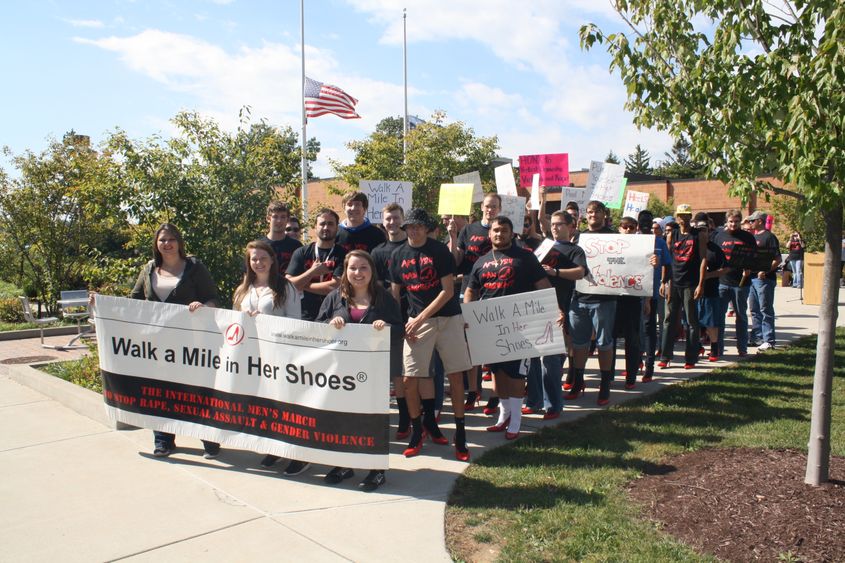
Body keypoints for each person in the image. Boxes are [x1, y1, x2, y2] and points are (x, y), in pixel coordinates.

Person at [129, 223, 220, 458]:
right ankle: (163, 441)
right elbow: (134, 301)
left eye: (171, 239)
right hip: (157, 345)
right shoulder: (149, 269)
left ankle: (209, 441)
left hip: (191, 341)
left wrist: (203, 307)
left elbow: (212, 298)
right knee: (160, 392)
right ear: (156, 244)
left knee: (196, 390)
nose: (166, 244)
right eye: (162, 240)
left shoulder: (194, 267)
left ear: (179, 242)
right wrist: (101, 304)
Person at [316, 250, 404, 491]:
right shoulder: (335, 298)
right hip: (341, 373)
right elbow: (317, 327)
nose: (358, 273)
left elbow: (400, 330)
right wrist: (330, 325)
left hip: (372, 371)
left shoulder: (383, 298)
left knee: (371, 420)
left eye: (363, 267)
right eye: (353, 268)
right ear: (345, 271)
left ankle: (376, 470)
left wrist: (385, 327)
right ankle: (344, 464)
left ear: (371, 271)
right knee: (342, 419)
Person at [390, 208, 473, 461]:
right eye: (409, 227)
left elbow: (447, 291)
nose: (413, 231)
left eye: (417, 226)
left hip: (448, 319)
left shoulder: (439, 251)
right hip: (417, 323)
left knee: (456, 377)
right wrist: (403, 324)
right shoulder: (397, 255)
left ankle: (460, 434)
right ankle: (418, 431)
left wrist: (419, 318)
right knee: (408, 379)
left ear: (427, 228)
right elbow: (396, 294)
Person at [464, 216, 553, 438]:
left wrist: (554, 311)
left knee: (515, 375)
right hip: (490, 327)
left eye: (504, 230)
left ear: (511, 233)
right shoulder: (481, 261)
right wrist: (469, 313)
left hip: (520, 328)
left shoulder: (526, 257)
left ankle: (516, 421)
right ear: (489, 233)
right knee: (498, 373)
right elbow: (471, 290)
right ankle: (503, 416)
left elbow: (543, 286)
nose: (499, 234)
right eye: (495, 230)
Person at [232, 240, 301, 471]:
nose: (258, 263)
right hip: (252, 357)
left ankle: (298, 454)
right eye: (254, 259)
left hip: (279, 355)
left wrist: (266, 321)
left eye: (263, 258)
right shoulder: (243, 289)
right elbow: (234, 322)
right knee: (264, 404)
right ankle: (274, 448)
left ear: (272, 260)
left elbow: (295, 322)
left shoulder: (285, 287)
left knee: (286, 405)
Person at [529, 210, 586, 419]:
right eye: (552, 224)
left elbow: (581, 272)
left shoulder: (575, 250)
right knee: (533, 359)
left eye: (559, 224)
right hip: (535, 306)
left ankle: (553, 404)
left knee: (550, 361)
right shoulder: (544, 246)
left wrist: (556, 272)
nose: (554, 227)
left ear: (571, 227)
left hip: (557, 308)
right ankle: (534, 401)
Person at [566, 200, 619, 406]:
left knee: (604, 343)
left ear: (604, 214)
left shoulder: (614, 236)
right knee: (579, 343)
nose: (592, 215)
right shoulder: (577, 237)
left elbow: (628, 262)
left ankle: (605, 384)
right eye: (589, 212)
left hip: (604, 299)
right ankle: (578, 381)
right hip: (578, 298)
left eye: (596, 211)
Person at [370, 203, 411, 438]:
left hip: (412, 313)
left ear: (402, 219)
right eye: (388, 219)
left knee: (407, 372)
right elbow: (374, 284)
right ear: (383, 221)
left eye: (396, 218)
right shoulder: (378, 252)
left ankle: (409, 415)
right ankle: (389, 417)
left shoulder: (411, 246)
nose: (392, 222)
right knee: (391, 370)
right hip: (385, 317)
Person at [659, 204, 708, 369]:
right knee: (669, 320)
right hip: (673, 282)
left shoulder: (699, 235)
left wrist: (700, 284)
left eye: (687, 215)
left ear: (690, 217)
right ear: (677, 217)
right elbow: (666, 260)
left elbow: (703, 259)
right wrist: (663, 281)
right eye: (681, 215)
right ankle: (665, 356)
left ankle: (691, 357)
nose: (684, 218)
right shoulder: (672, 235)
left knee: (692, 322)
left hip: (690, 283)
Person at [286, 208, 347, 322]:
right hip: (304, 313)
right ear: (315, 227)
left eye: (330, 224)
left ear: (337, 227)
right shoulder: (301, 252)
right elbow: (289, 285)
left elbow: (335, 287)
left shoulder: (343, 254)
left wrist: (302, 285)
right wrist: (312, 272)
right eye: (322, 224)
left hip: (334, 315)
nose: (326, 227)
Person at [712, 209, 757, 356]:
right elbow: (713, 256)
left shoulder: (748, 237)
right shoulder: (718, 236)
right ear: (727, 221)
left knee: (741, 316)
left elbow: (755, 257)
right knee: (719, 317)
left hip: (741, 283)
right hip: (722, 282)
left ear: (740, 222)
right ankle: (718, 349)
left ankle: (742, 348)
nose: (733, 224)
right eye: (731, 221)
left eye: (736, 221)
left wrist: (750, 268)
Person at [639, 210, 671, 382]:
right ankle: (636, 363)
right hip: (633, 293)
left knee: (650, 330)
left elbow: (668, 264)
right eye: (642, 222)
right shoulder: (631, 242)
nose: (644, 226)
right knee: (636, 331)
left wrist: (663, 282)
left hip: (651, 293)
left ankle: (649, 367)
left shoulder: (659, 242)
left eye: (648, 223)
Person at [692, 213, 729, 361]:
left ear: (709, 231)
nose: (702, 233)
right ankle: (696, 347)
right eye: (699, 230)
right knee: (692, 322)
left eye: (704, 230)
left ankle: (714, 349)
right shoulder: (691, 247)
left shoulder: (715, 249)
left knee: (711, 322)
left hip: (710, 290)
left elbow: (725, 269)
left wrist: (707, 276)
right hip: (691, 291)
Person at [747, 211, 781, 351]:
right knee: (754, 310)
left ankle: (769, 340)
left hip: (764, 279)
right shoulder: (752, 237)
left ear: (759, 221)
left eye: (752, 221)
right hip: (752, 278)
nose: (750, 223)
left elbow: (777, 259)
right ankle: (758, 337)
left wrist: (766, 271)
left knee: (765, 309)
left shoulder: (769, 237)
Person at [261, 201, 302, 274]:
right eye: (275, 217)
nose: (279, 221)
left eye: (283, 217)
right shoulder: (259, 246)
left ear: (287, 219)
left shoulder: (296, 247)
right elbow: (248, 277)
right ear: (268, 219)